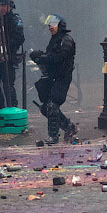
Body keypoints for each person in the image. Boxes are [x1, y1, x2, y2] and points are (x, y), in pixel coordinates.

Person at [30, 14, 77, 145]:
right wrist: (39, 56)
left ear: (60, 25)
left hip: (62, 78)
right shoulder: (55, 39)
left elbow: (58, 58)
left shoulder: (66, 40)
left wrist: (42, 57)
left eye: (53, 24)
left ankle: (53, 136)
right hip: (53, 77)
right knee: (46, 108)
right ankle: (69, 127)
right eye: (49, 25)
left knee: (52, 105)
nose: (50, 27)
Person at [0, 0, 25, 111]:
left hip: (9, 58)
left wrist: (6, 44)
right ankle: (1, 110)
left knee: (8, 85)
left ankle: (13, 110)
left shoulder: (15, 20)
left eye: (3, 5)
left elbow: (20, 38)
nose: (1, 8)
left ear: (10, 6)